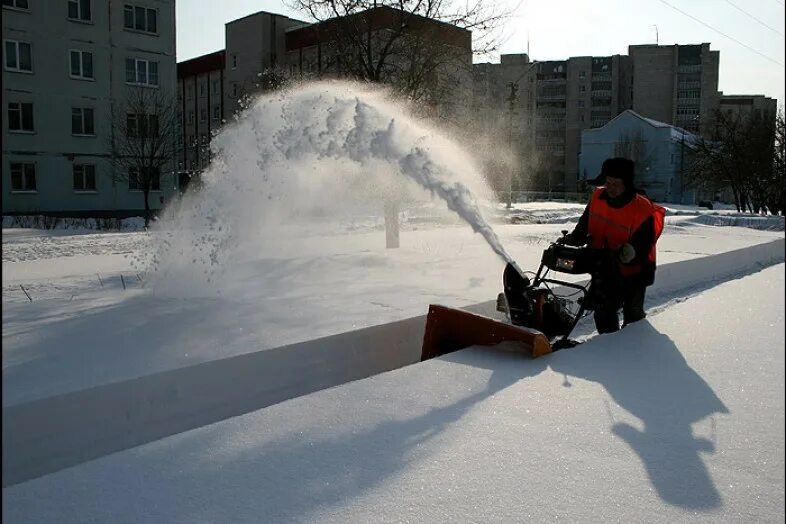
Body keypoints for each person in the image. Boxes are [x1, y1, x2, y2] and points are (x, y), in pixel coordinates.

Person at [560, 157, 665, 334]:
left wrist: (628, 252)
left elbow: (643, 243)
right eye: (608, 182)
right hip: (603, 263)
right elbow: (584, 225)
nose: (610, 187)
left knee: (632, 315)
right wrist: (574, 238)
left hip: (635, 269)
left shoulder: (641, 207)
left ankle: (636, 347)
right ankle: (609, 346)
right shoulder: (597, 197)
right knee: (603, 307)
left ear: (627, 184)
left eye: (616, 183)